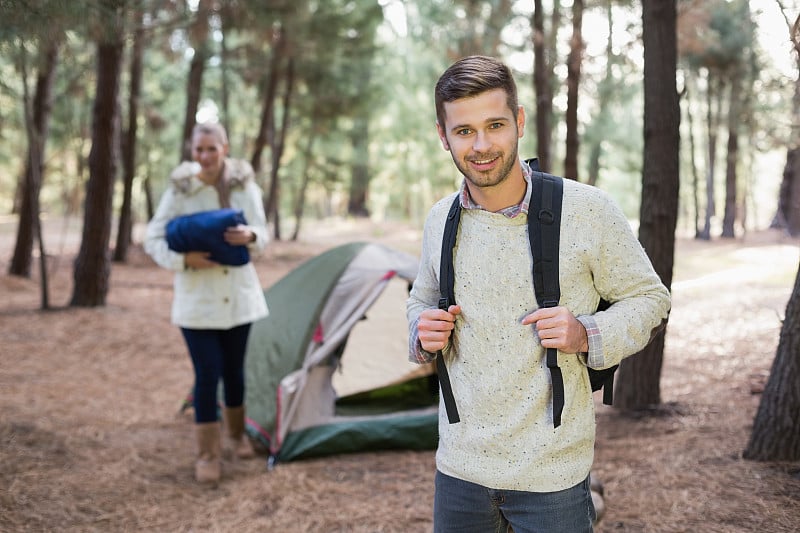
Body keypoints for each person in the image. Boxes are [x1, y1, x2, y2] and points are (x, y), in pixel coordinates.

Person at [406, 55, 671, 532]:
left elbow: (650, 299)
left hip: (554, 476)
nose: (482, 145)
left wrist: (586, 332)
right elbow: (419, 300)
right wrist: (421, 329)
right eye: (464, 131)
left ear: (520, 122)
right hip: (459, 471)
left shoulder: (588, 210)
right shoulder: (438, 219)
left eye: (495, 125)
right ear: (443, 136)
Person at [144, 122, 269, 484]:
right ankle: (207, 453)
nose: (204, 156)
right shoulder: (181, 190)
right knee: (207, 374)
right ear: (192, 151)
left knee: (234, 372)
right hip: (197, 301)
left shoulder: (245, 186)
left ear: (224, 148)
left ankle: (235, 435)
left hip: (239, 297)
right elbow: (153, 237)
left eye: (211, 149)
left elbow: (263, 231)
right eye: (198, 150)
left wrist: (251, 235)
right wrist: (183, 260)